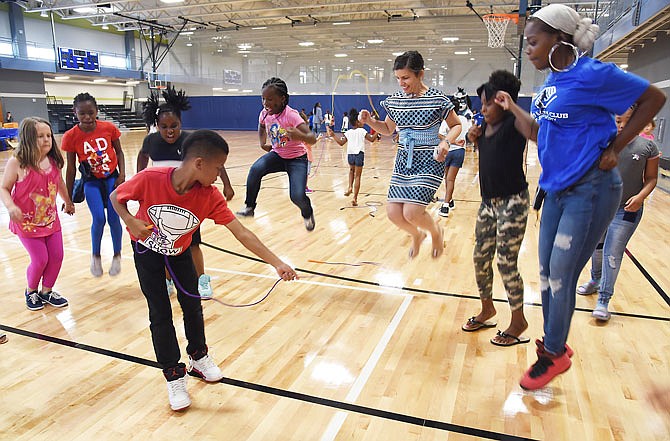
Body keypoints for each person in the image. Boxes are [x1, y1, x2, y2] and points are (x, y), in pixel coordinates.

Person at [496, 4, 666, 390]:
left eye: (534, 42)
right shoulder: (551, 84)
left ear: (560, 39)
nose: (529, 50)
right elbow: (539, 133)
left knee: (561, 276)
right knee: (546, 275)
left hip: (591, 188)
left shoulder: (593, 74)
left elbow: (654, 98)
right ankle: (556, 344)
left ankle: (553, 353)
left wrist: (617, 148)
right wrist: (512, 110)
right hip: (555, 190)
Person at [112, 129, 297, 411]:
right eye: (218, 167)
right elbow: (116, 196)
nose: (220, 174)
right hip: (146, 251)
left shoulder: (210, 196)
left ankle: (198, 358)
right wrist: (129, 220)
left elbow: (242, 233)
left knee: (193, 304)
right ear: (199, 163)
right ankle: (174, 375)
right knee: (160, 313)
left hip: (180, 252)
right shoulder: (151, 179)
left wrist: (277, 262)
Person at [359, 50, 462, 258]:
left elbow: (456, 125)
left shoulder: (437, 99)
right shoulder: (396, 100)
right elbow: (388, 129)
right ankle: (417, 235)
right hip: (404, 162)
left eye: (405, 77)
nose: (401, 83)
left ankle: (435, 232)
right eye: (398, 78)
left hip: (429, 161)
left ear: (420, 74)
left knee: (412, 212)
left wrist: (446, 143)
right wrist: (370, 121)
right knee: (393, 213)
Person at [138, 86, 235, 298]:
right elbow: (142, 157)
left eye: (174, 125)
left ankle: (201, 279)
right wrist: (140, 180)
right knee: (162, 245)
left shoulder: (191, 141)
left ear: (181, 123)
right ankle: (167, 280)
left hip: (189, 204)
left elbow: (214, 161)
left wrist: (226, 184)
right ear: (157, 126)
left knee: (192, 244)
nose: (169, 130)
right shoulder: (151, 141)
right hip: (159, 203)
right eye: (164, 126)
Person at [461, 71, 531, 347]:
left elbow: (535, 132)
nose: (482, 109)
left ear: (502, 102)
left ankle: (518, 320)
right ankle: (487, 308)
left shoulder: (514, 123)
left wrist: (512, 105)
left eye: (487, 104)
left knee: (505, 261)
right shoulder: (483, 128)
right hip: (488, 203)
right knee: (480, 257)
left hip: (513, 202)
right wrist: (472, 137)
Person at [576, 109, 659, 321]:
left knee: (613, 253)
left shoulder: (647, 147)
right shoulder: (602, 142)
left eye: (628, 121)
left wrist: (640, 197)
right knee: (597, 247)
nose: (622, 125)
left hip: (627, 209)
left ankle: (604, 299)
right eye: (618, 120)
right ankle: (595, 280)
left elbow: (651, 178)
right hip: (600, 207)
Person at [0, 117, 74, 310]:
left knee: (57, 257)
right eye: (40, 136)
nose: (46, 139)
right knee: (40, 259)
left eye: (48, 135)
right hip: (26, 223)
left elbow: (59, 183)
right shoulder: (18, 163)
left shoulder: (54, 162)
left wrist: (67, 201)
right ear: (28, 138)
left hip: (50, 220)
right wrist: (10, 207)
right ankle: (31, 291)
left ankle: (46, 291)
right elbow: (4, 188)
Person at [236, 77, 317, 231]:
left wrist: (300, 136)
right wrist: (262, 142)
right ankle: (249, 207)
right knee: (255, 169)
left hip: (297, 159)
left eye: (270, 99)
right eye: (263, 99)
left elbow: (312, 138)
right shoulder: (265, 114)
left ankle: (307, 213)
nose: (265, 103)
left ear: (282, 99)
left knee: (297, 196)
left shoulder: (291, 115)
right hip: (278, 155)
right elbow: (261, 127)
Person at [62, 92, 126, 277]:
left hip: (112, 179)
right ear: (75, 113)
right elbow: (71, 169)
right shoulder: (70, 136)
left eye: (91, 112)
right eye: (82, 113)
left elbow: (120, 152)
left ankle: (117, 254)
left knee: (114, 218)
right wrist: (68, 199)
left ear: (97, 110)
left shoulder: (109, 128)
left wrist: (122, 175)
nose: (87, 117)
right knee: (98, 218)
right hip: (91, 181)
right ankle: (96, 255)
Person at [327, 108, 376, 206]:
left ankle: (349, 187)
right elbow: (371, 139)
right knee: (357, 176)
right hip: (359, 155)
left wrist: (333, 135)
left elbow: (341, 143)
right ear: (357, 122)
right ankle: (355, 198)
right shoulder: (362, 131)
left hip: (350, 155)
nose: (363, 122)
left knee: (351, 171)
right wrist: (378, 131)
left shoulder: (348, 132)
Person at [438, 105, 470, 218]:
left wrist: (453, 142)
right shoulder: (464, 119)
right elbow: (468, 134)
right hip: (460, 152)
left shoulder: (447, 120)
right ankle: (449, 200)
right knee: (450, 179)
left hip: (448, 150)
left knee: (448, 179)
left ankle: (445, 206)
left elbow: (440, 134)